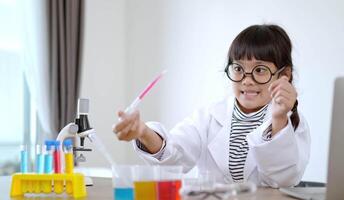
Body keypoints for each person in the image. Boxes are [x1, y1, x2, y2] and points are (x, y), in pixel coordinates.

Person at [112, 24, 310, 188]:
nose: (246, 80)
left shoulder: (292, 122)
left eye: (259, 70)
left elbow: (283, 180)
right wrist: (143, 132)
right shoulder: (210, 116)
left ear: (284, 76)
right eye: (238, 68)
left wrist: (278, 118)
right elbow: (174, 158)